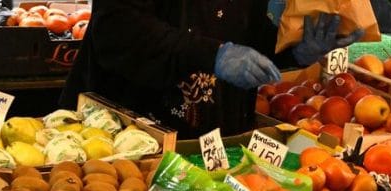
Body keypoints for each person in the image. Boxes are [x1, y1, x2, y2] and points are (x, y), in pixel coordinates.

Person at [61, 1, 363, 138]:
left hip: (213, 139)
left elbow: (249, 33)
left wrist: (295, 51)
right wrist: (214, 55)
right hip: (128, 136)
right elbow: (117, 28)